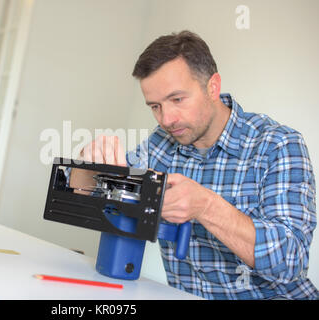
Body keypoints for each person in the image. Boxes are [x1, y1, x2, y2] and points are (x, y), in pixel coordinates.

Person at [70, 30, 318, 299]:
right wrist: (88, 163)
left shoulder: (277, 145)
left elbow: (290, 263)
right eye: (155, 106)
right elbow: (88, 191)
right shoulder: (161, 144)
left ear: (212, 87)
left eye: (177, 99)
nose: (167, 119)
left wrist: (205, 206)